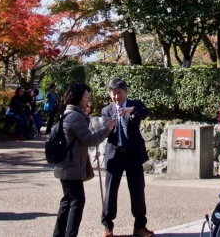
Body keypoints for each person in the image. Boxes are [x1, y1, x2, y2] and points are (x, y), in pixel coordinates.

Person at [52, 82, 114, 237]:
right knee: (77, 202)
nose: (88, 99)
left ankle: (58, 234)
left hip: (66, 166)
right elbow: (90, 140)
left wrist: (85, 116)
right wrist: (108, 128)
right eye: (86, 96)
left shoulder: (70, 114)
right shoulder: (75, 117)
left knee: (67, 202)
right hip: (71, 166)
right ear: (78, 97)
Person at [100, 77, 154, 237]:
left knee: (137, 190)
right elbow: (104, 129)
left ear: (126, 92)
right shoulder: (107, 110)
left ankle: (140, 226)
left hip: (132, 154)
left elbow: (145, 112)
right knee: (110, 191)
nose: (117, 97)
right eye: (114, 93)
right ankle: (107, 227)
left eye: (120, 93)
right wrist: (109, 125)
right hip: (114, 154)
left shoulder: (135, 104)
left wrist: (131, 110)